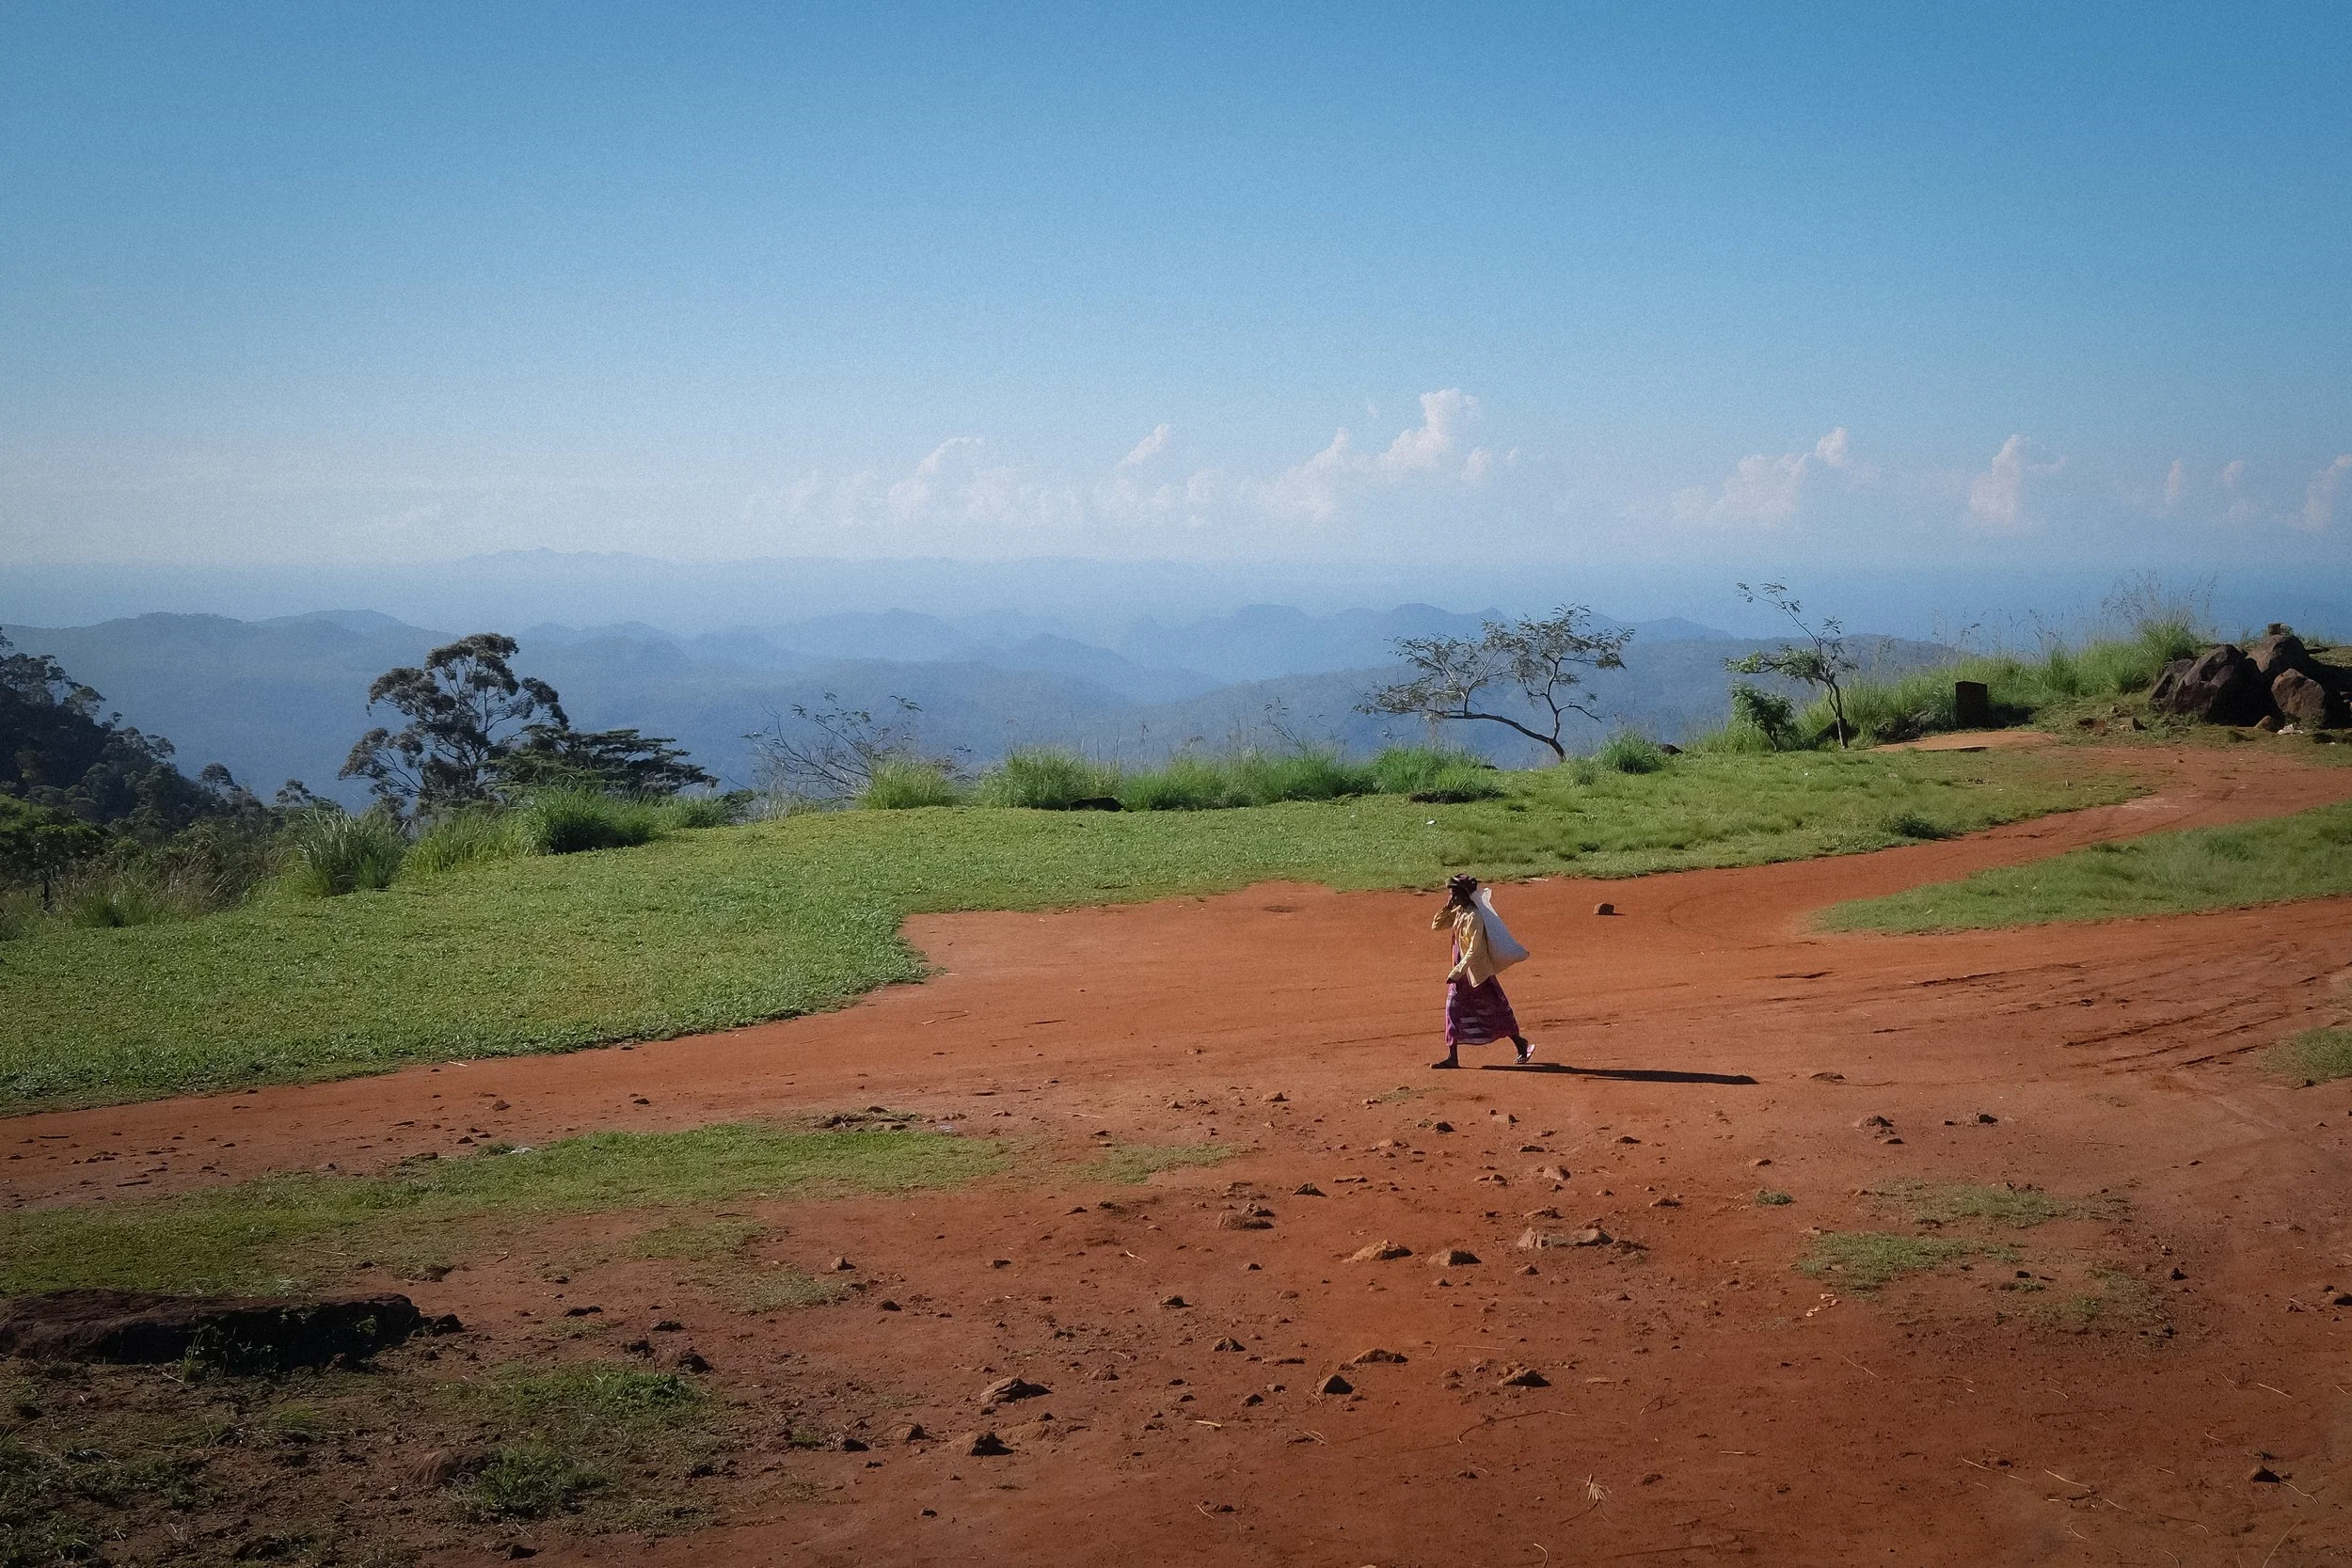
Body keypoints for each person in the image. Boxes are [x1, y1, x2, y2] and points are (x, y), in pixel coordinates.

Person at [1430, 873, 1533, 1069]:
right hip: (1461, 974)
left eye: (1454, 894)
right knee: (1452, 1010)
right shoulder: (1459, 912)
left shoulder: (1474, 916)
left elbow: (1474, 949)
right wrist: (1448, 907)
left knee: (1495, 1011)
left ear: (1464, 895)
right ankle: (1453, 1056)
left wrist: (1458, 971)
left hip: (1476, 973)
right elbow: (1436, 925)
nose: (1452, 897)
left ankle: (1520, 1043)